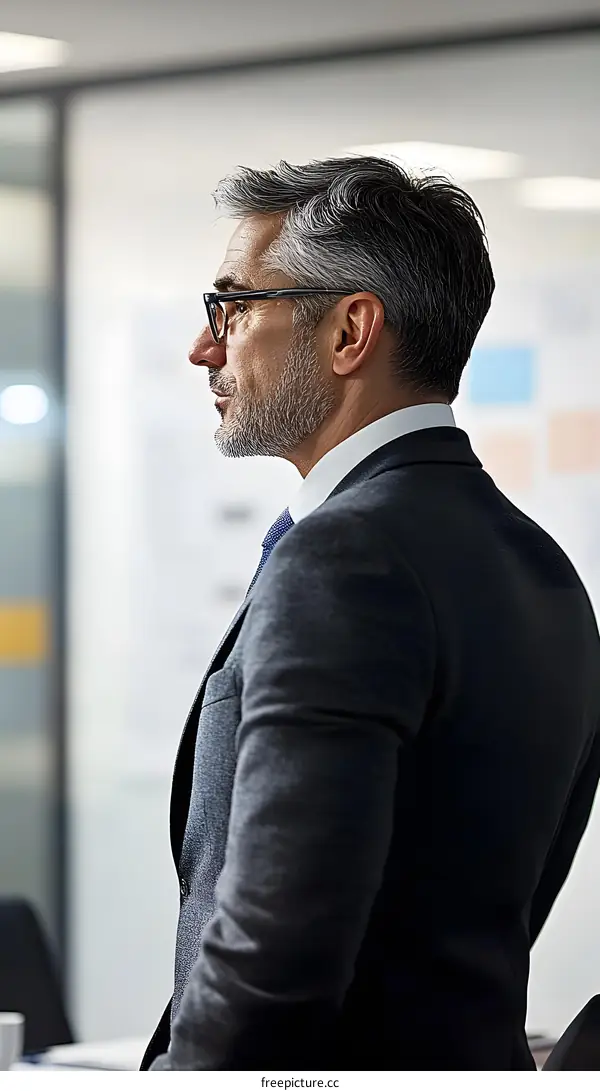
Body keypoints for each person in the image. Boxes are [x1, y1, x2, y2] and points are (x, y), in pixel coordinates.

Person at [142, 156, 600, 1071]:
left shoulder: (343, 560)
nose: (205, 347)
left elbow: (278, 949)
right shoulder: (540, 566)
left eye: (231, 307)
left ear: (350, 330)